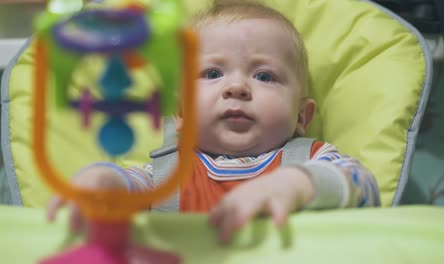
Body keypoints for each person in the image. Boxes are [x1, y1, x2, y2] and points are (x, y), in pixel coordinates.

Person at [48, 0, 380, 243]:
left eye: (264, 75)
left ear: (301, 116)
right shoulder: (166, 174)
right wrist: (101, 181)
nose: (236, 87)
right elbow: (128, 186)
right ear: (180, 115)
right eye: (212, 73)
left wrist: (297, 185)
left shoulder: (313, 160)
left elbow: (365, 188)